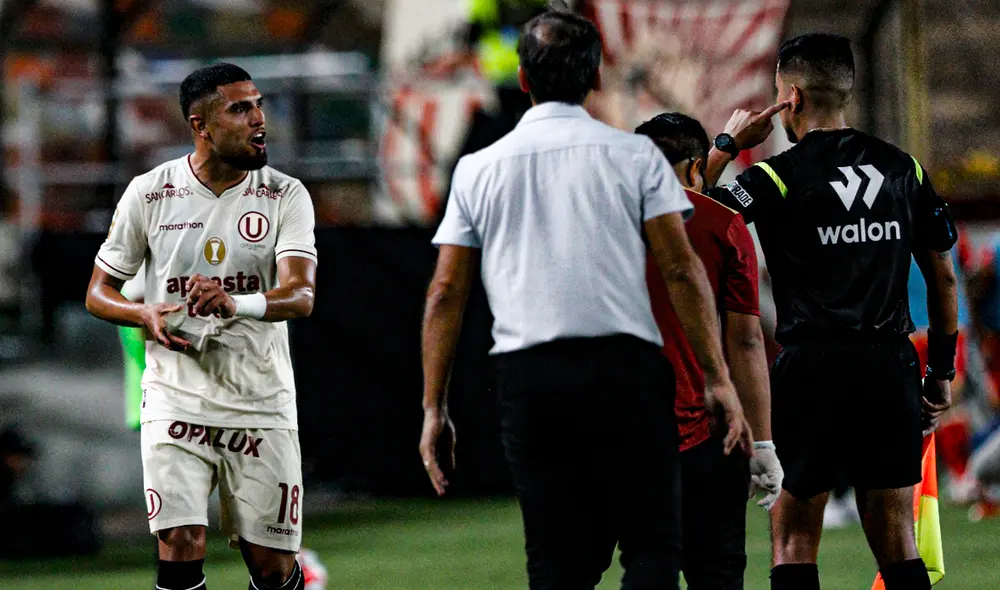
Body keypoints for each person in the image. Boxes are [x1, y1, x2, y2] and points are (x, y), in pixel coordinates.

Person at [419, 10, 751, 590]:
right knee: (652, 547)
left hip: (529, 377)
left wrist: (433, 407)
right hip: (626, 370)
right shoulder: (637, 159)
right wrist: (718, 377)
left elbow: (446, 292)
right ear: (597, 75)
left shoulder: (477, 170)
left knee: (557, 560)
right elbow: (681, 268)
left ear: (522, 79)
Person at [704, 34, 959, 590]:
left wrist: (726, 145)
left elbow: (692, 215)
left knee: (793, 539)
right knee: (897, 537)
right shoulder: (904, 170)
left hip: (810, 368)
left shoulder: (772, 177)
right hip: (890, 366)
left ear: (790, 98)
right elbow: (942, 273)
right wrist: (940, 371)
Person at [85, 63, 318, 590]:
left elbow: (301, 296)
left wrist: (236, 303)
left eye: (259, 105)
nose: (259, 119)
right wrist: (141, 313)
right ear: (201, 125)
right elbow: (98, 293)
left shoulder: (285, 195)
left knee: (271, 566)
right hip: (175, 398)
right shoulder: (149, 193)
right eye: (241, 108)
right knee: (180, 543)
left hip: (259, 400)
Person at [635, 112, 782, 589]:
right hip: (710, 435)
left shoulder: (603, 222)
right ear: (696, 165)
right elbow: (745, 340)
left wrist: (721, 149)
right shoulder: (725, 224)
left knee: (646, 571)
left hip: (628, 438)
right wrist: (762, 443)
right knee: (716, 575)